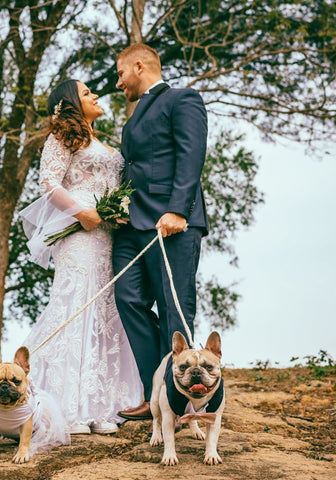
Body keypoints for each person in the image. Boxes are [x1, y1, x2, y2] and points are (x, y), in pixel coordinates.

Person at [19, 79, 142, 435]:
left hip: (107, 237)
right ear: (72, 102)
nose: (97, 96)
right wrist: (81, 213)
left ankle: (101, 406)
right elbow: (49, 184)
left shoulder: (103, 141)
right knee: (76, 308)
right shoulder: (60, 138)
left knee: (106, 312)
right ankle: (66, 406)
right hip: (79, 236)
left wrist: (117, 210)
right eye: (88, 93)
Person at [112, 44, 209, 421]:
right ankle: (155, 389)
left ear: (139, 65)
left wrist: (178, 210)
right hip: (131, 227)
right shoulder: (133, 116)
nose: (119, 82)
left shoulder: (183, 99)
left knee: (174, 308)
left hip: (173, 224)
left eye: (121, 73)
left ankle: (179, 400)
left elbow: (191, 153)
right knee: (128, 298)